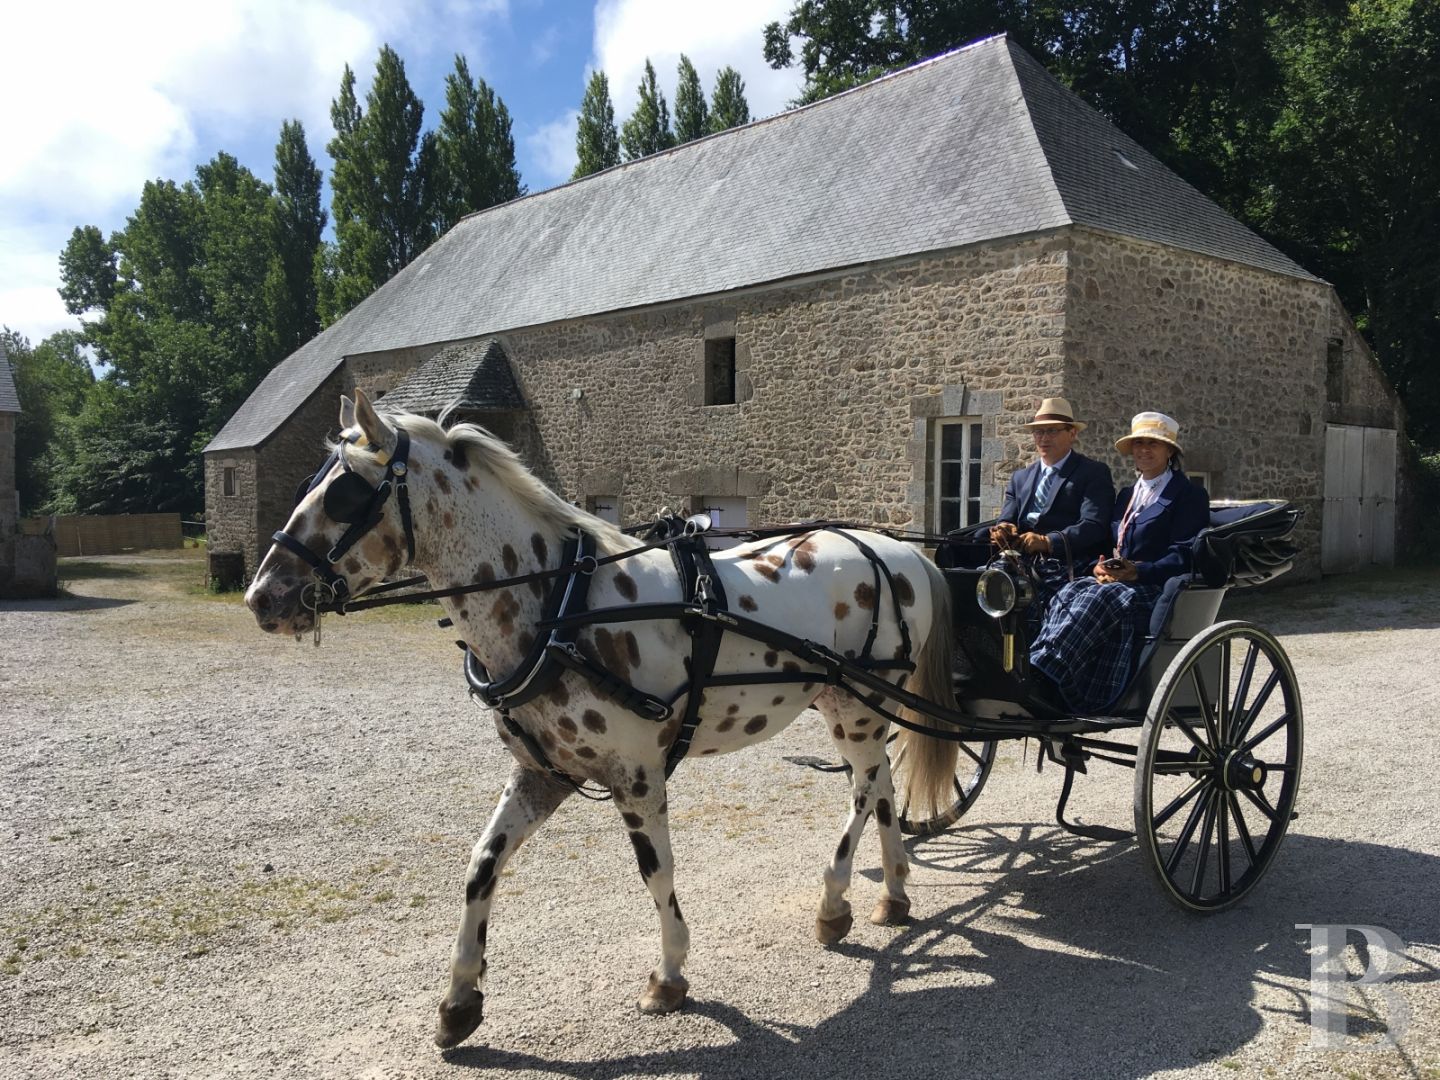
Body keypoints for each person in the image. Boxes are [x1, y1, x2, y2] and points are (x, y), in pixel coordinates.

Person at [1028, 411, 1210, 712]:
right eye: (1139, 443)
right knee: (1071, 590)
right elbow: (1109, 543)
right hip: (1116, 580)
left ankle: (1047, 669)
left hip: (1155, 585)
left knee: (1105, 595)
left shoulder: (1188, 494)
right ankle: (1042, 661)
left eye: (1153, 444)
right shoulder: (1127, 494)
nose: (1144, 450)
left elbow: (1184, 553)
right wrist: (1099, 566)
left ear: (1169, 451)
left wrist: (1139, 571)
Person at [990, 397, 1115, 570]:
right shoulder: (1020, 478)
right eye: (1038, 432)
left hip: (1066, 561)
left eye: (1052, 431)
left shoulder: (1092, 472)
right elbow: (1006, 518)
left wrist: (1047, 542)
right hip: (1019, 558)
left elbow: (1093, 526)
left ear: (1072, 434)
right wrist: (1004, 529)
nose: (1044, 438)